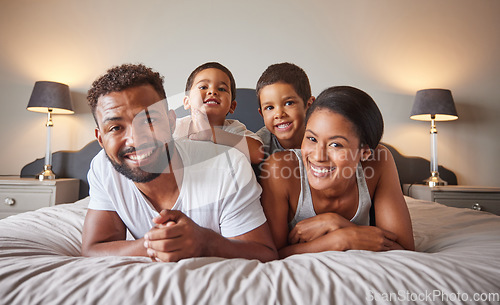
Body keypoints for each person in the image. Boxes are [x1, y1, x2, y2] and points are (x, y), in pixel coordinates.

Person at [81, 63, 277, 263]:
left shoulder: (229, 163)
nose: (136, 139)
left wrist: (205, 242)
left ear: (171, 122)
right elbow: (93, 248)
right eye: (115, 127)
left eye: (149, 120)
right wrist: (153, 244)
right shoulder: (102, 168)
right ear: (100, 139)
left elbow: (264, 252)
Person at [259, 86, 415, 258]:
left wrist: (338, 224)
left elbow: (404, 250)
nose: (318, 156)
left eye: (336, 144)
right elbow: (271, 255)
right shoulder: (278, 169)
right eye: (311, 139)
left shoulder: (379, 161)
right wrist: (340, 240)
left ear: (364, 152)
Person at [173, 62, 264, 164]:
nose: (212, 91)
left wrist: (212, 134)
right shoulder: (175, 127)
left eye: (221, 89)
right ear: (187, 102)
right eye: (203, 87)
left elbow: (258, 154)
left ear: (232, 106)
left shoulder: (233, 129)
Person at [255, 62, 315, 159]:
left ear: (309, 105)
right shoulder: (258, 146)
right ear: (262, 114)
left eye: (289, 103)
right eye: (270, 108)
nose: (279, 114)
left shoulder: (322, 137)